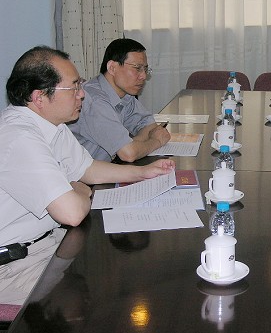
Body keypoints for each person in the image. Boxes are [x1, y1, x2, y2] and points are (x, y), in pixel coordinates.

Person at [0, 46, 175, 305]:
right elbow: (72, 212)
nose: (82, 94)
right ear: (39, 97)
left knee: (129, 273)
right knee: (113, 295)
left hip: (48, 244)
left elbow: (88, 168)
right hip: (13, 267)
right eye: (73, 87)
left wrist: (142, 172)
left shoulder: (52, 126)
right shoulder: (19, 137)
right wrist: (79, 187)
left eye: (80, 85)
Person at [68, 38, 170, 162]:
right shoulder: (94, 100)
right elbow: (129, 154)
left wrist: (130, 144)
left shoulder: (124, 94)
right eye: (137, 68)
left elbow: (150, 127)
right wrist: (156, 141)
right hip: (84, 173)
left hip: (108, 167)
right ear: (112, 68)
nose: (143, 76)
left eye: (145, 69)